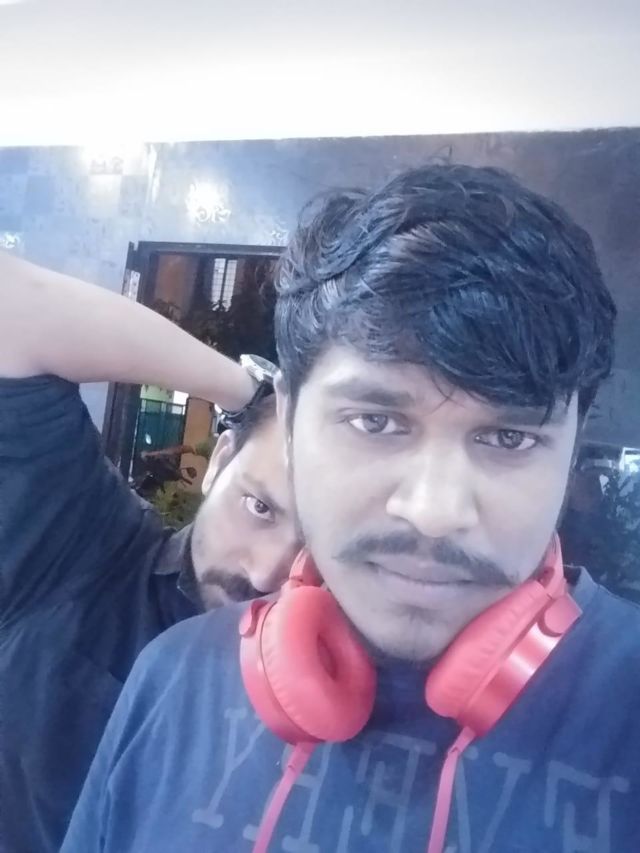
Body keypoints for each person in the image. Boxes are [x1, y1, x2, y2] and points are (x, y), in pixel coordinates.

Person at [62, 165, 640, 853]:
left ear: (572, 449)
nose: (433, 511)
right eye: (375, 421)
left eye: (508, 437)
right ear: (289, 417)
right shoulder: (172, 678)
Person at [0, 252, 299, 853]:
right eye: (260, 507)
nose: (268, 572)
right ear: (219, 462)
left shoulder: (344, 687)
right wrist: (250, 396)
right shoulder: (83, 548)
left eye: (314, 543)